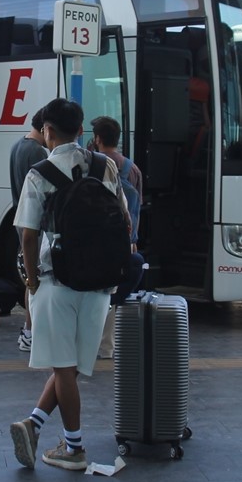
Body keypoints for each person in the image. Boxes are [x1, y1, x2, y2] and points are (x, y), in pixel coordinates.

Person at [8, 98, 129, 471]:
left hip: (56, 281)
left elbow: (28, 235)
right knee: (70, 366)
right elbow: (124, 219)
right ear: (81, 131)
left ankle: (74, 448)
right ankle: (34, 423)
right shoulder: (105, 165)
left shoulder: (39, 173)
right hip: (100, 282)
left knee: (62, 367)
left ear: (47, 131)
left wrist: (30, 282)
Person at [88, 115, 146, 360]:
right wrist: (132, 239)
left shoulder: (92, 165)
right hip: (124, 241)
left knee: (95, 290)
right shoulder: (131, 169)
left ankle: (89, 340)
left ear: (98, 138)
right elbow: (136, 208)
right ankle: (107, 346)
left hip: (95, 240)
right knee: (113, 291)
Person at [9, 111, 48, 352]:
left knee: (30, 278)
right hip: (34, 224)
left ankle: (28, 332)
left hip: (21, 220)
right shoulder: (37, 152)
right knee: (36, 281)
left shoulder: (17, 145)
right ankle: (31, 332)